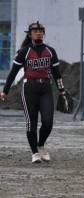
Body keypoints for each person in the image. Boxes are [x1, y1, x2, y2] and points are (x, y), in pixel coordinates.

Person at [0, 21, 66, 163]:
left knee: (48, 122)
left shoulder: (50, 51)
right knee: (31, 123)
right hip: (29, 89)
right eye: (35, 31)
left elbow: (56, 73)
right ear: (30, 34)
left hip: (45, 88)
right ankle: (35, 153)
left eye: (41, 30)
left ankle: (41, 145)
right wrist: (4, 91)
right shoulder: (24, 52)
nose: (38, 32)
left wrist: (62, 90)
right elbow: (12, 73)